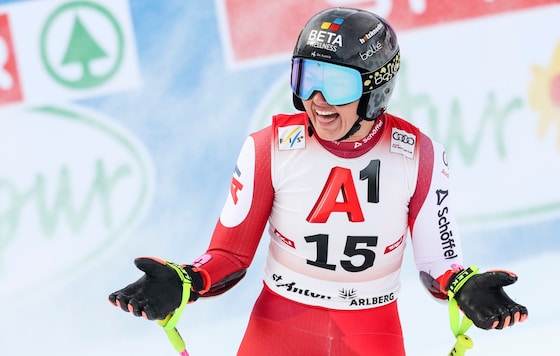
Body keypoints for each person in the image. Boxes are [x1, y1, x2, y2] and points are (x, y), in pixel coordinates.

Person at [109, 7, 528, 355]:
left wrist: (465, 284)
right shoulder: (268, 147)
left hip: (372, 331)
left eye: (336, 84)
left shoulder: (419, 155)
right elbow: (229, 255)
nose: (318, 101)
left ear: (375, 89)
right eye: (307, 79)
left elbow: (437, 261)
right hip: (279, 329)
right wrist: (186, 280)